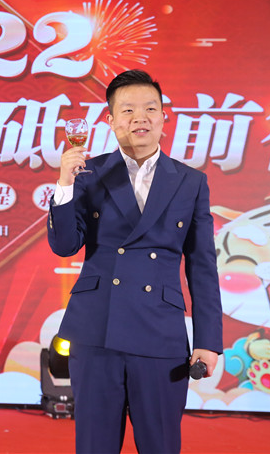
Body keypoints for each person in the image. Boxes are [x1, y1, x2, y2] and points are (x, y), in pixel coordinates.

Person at [47, 69, 223, 453]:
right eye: (127, 110)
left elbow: (202, 266)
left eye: (150, 108)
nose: (140, 117)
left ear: (163, 117)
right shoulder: (87, 174)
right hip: (96, 330)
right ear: (111, 120)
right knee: (95, 445)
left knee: (160, 443)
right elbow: (64, 246)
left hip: (161, 333)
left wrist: (209, 341)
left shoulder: (190, 181)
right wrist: (64, 184)